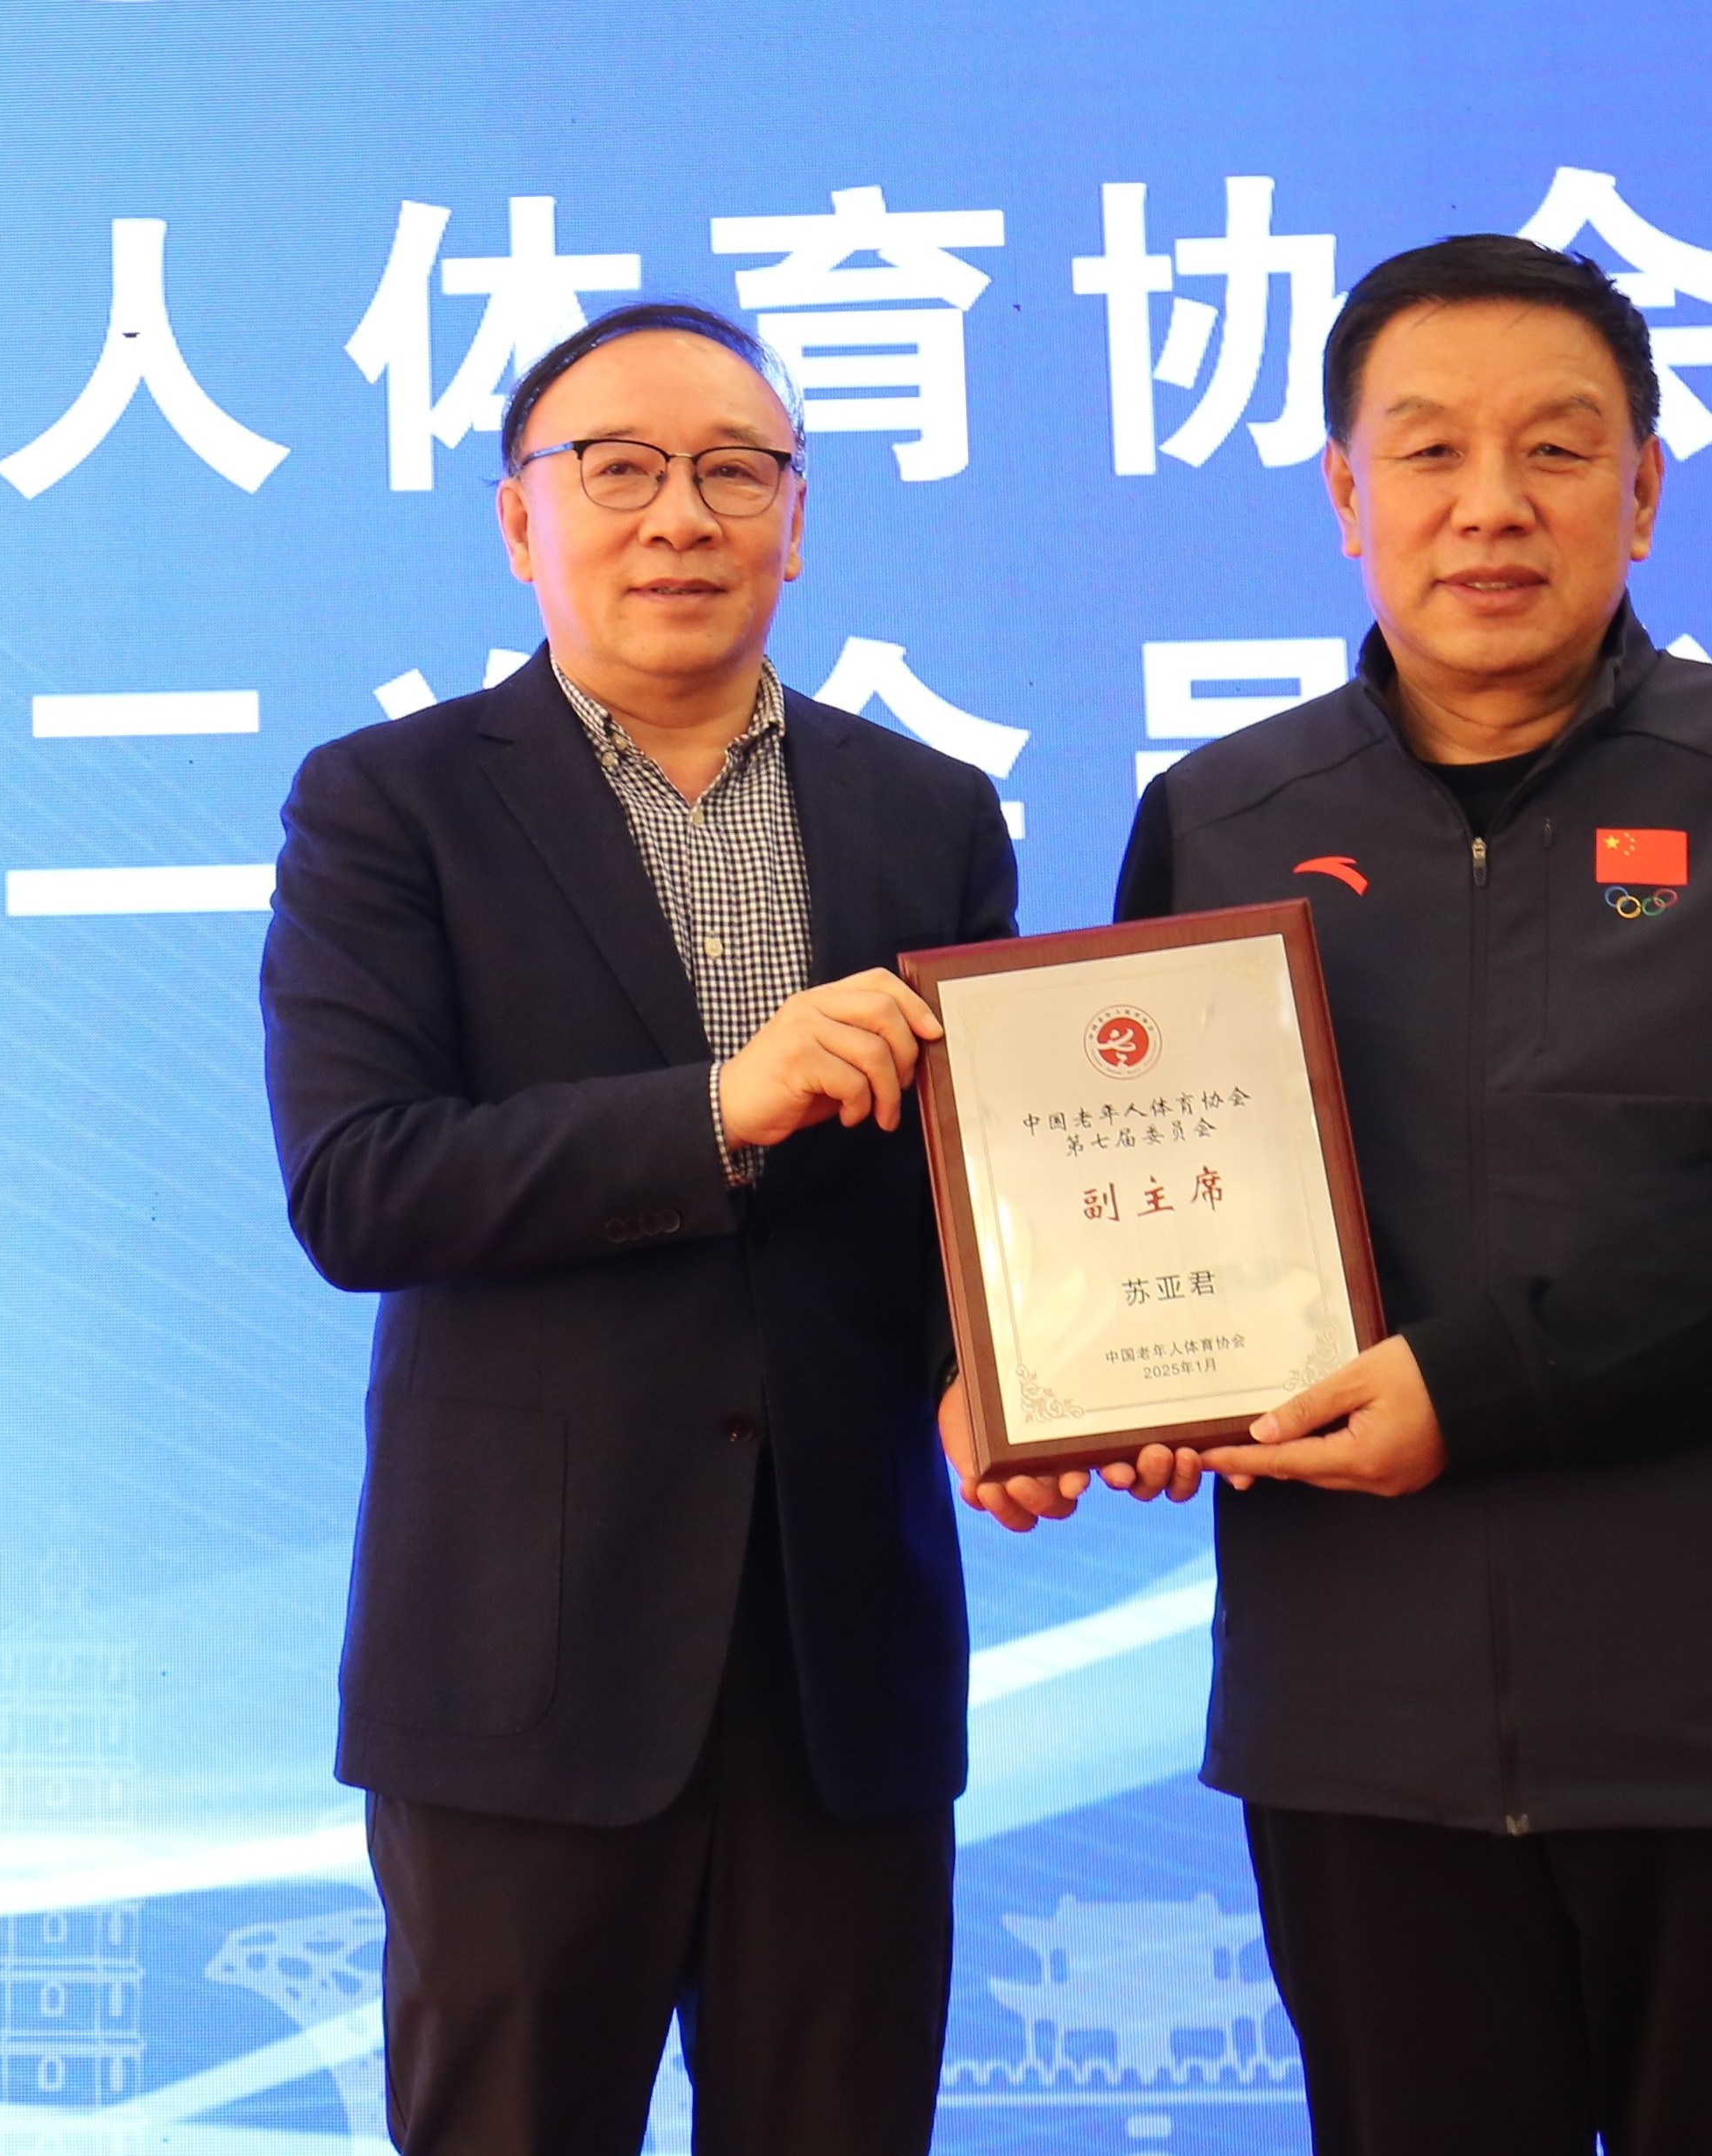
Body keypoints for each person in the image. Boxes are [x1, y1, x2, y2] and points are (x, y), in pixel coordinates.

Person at [1099, 235, 1712, 2154]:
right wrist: (1095, 1388)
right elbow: (1150, 1202)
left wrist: (1478, 1386)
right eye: (1426, 451)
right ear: (1345, 495)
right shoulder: (1221, 820)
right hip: (1362, 1726)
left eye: (1557, 450)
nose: (1489, 504)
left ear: (1642, 489)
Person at [260, 300, 1022, 2156]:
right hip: (524, 1668)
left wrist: (1013, 1376)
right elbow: (362, 1182)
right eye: (617, 471)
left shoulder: (928, 813)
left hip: (840, 1664)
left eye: (733, 472)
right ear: (519, 519)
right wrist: (716, 1111)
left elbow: (967, 1200)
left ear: (795, 520)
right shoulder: (390, 805)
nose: (680, 515)